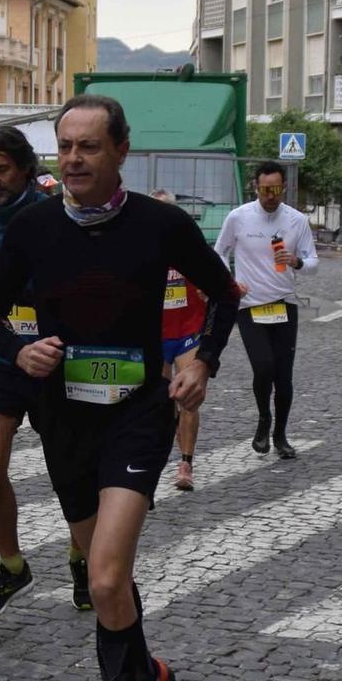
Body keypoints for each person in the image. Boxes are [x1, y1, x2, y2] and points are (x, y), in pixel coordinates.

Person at [0, 94, 242, 681]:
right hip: (63, 418)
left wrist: (202, 360)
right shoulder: (32, 227)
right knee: (111, 584)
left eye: (88, 147)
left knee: (101, 578)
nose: (72, 160)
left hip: (138, 414)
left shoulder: (161, 225)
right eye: (65, 147)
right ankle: (148, 675)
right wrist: (19, 347)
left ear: (120, 151)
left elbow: (226, 296)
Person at [0, 130, 65, 614]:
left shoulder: (55, 215)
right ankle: (12, 566)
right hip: (0, 354)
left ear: (25, 167)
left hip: (53, 357)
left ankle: (83, 556)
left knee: (68, 470)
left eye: (2, 170)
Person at [216, 161, 319, 457]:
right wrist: (231, 281)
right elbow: (219, 251)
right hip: (250, 305)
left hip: (284, 303)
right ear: (256, 188)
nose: (270, 196)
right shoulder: (239, 217)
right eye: (265, 190)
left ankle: (281, 435)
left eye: (275, 189)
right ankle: (264, 418)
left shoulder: (297, 220)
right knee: (263, 367)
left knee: (283, 375)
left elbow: (312, 263)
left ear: (284, 187)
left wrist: (297, 262)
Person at [155, 191, 209, 492]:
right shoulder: (141, 249)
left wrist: (209, 291)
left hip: (188, 332)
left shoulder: (188, 246)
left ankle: (186, 463)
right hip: (155, 336)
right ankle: (160, 450)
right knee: (162, 404)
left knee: (188, 398)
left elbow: (212, 279)